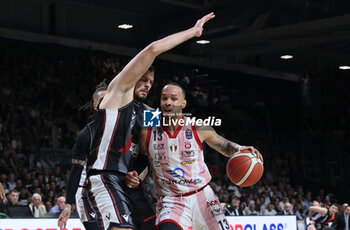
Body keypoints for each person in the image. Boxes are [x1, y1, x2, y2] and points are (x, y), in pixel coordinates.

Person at [58, 12, 215, 230]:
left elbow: (147, 153)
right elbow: (152, 49)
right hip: (105, 178)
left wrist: (139, 176)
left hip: (129, 185)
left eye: (150, 81)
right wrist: (193, 32)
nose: (147, 84)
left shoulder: (149, 112)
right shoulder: (117, 94)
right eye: (142, 79)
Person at [129, 82, 262, 230]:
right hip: (171, 201)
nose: (168, 102)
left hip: (203, 197)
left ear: (183, 103)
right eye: (164, 98)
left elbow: (224, 146)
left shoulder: (197, 126)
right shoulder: (147, 132)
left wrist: (240, 148)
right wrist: (134, 175)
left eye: (173, 99)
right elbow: (140, 160)